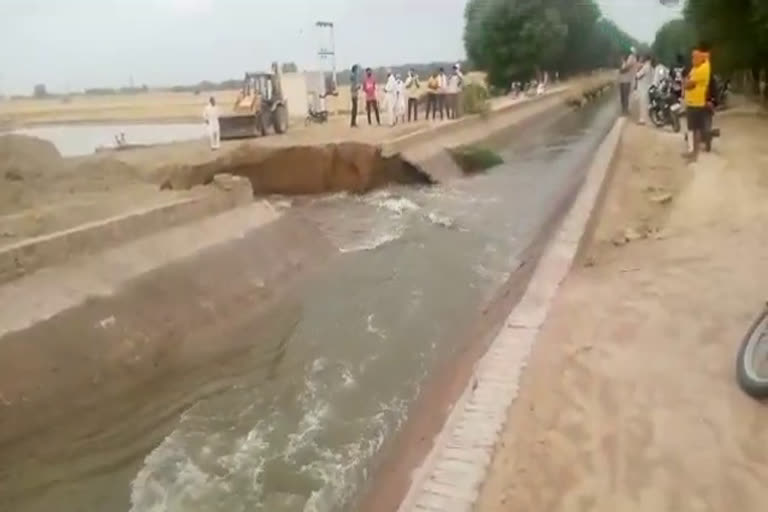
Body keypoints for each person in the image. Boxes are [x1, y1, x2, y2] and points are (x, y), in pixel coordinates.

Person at [683, 48, 711, 162]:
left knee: (696, 130)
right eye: (692, 57)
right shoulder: (700, 67)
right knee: (692, 128)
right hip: (691, 103)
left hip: (696, 104)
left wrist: (687, 82)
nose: (692, 60)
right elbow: (707, 56)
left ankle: (695, 155)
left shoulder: (701, 70)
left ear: (700, 59)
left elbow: (687, 84)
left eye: (694, 58)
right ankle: (692, 153)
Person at [618, 48, 637, 115]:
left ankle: (625, 110)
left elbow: (626, 69)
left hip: (626, 80)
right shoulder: (627, 60)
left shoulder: (631, 58)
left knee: (625, 96)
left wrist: (621, 70)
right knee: (623, 96)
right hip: (623, 80)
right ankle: (624, 110)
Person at [635, 54, 653, 125]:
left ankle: (642, 120)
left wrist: (638, 70)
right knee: (646, 104)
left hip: (643, 88)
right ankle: (646, 119)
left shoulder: (645, 67)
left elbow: (637, 76)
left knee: (642, 105)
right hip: (648, 86)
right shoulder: (650, 67)